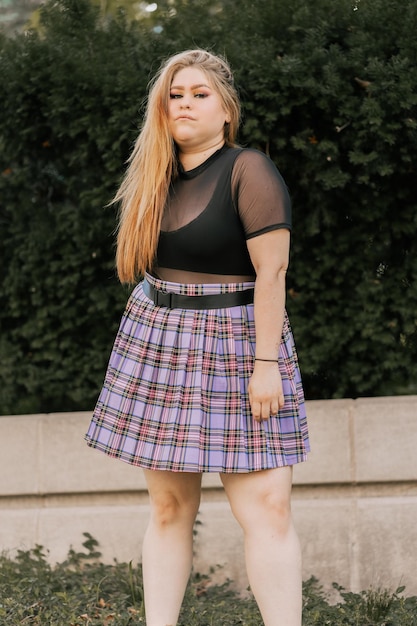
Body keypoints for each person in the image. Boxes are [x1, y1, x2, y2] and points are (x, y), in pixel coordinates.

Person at [85, 48, 310, 626]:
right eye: (175, 95)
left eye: (199, 94)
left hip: (241, 343)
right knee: (168, 507)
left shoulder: (248, 169)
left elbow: (273, 272)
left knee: (267, 507)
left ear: (226, 108)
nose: (184, 103)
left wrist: (266, 365)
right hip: (159, 340)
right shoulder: (152, 177)